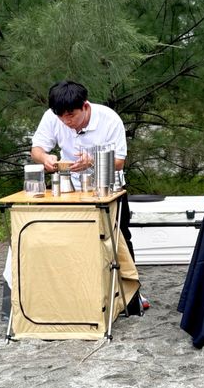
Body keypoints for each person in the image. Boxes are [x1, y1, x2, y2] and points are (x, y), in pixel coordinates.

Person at [30, 80, 148, 310]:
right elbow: (37, 149)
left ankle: (132, 297)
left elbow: (120, 162)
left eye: (71, 116)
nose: (66, 121)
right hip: (71, 189)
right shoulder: (52, 117)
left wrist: (92, 160)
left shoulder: (109, 119)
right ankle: (79, 294)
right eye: (61, 116)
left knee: (119, 238)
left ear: (85, 106)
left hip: (109, 188)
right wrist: (45, 158)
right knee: (73, 240)